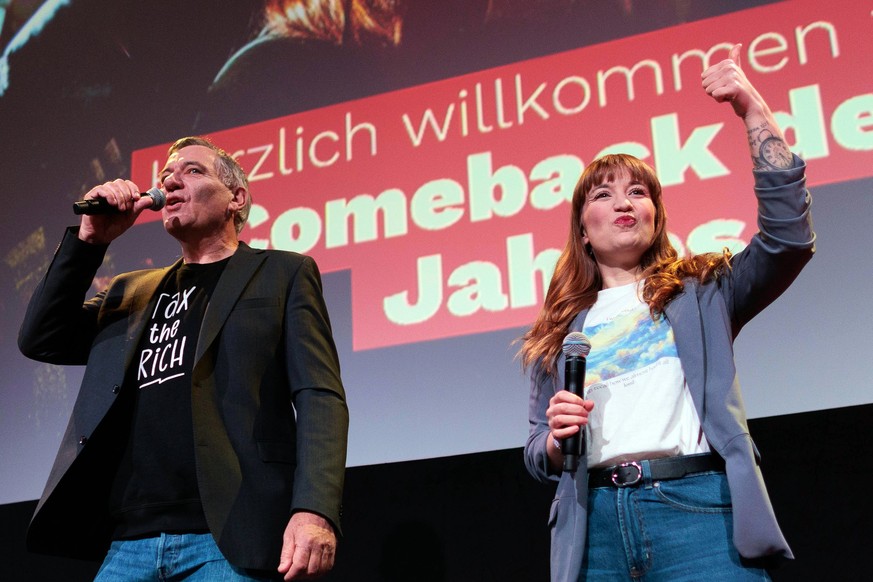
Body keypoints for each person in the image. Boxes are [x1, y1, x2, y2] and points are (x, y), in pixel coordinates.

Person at [520, 44, 814, 581]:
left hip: (697, 511)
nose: (624, 202)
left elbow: (787, 240)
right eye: (604, 195)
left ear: (655, 215)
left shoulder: (701, 291)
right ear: (583, 230)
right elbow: (538, 447)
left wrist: (753, 110)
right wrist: (558, 444)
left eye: (638, 191)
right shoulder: (559, 333)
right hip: (595, 528)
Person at [18, 136, 349, 580]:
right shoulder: (128, 291)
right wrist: (89, 242)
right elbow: (42, 338)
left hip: (229, 538)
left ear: (237, 198)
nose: (171, 179)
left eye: (193, 171)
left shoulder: (282, 273)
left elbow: (319, 396)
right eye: (166, 175)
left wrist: (314, 510)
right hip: (128, 543)